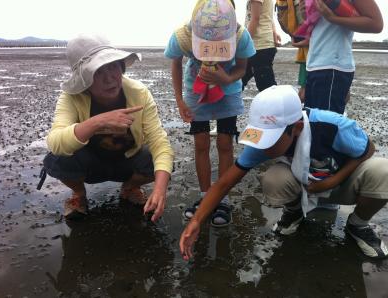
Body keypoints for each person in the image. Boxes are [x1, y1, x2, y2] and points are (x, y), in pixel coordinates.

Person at [180, 85, 388, 260]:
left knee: (383, 170)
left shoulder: (333, 126)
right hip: (305, 184)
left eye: (272, 139)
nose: (265, 148)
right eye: (261, 138)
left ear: (296, 128)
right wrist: (197, 221)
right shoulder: (261, 144)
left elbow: (367, 149)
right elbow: (225, 183)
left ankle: (358, 224)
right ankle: (294, 211)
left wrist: (334, 180)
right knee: (274, 179)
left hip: (341, 184)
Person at [40, 34, 174, 221]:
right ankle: (79, 194)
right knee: (58, 158)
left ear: (122, 66)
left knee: (157, 161)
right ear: (83, 79)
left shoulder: (139, 93)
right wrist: (98, 121)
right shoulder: (71, 97)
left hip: (127, 161)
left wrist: (160, 190)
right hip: (89, 163)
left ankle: (129, 188)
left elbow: (160, 142)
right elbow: (54, 142)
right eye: (98, 71)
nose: (109, 77)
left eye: (113, 66)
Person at [164, 0, 255, 227]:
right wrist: (180, 100)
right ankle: (206, 196)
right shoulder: (183, 36)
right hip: (196, 94)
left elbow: (242, 68)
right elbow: (175, 64)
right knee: (201, 143)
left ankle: (220, 199)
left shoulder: (241, 36)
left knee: (225, 143)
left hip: (228, 92)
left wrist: (226, 78)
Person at [303, 0, 383, 114]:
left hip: (332, 67)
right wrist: (304, 13)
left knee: (325, 127)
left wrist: (333, 19)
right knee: (312, 124)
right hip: (314, 65)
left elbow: (376, 24)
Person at [242, 0, 281, 92]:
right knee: (238, 80)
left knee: (266, 87)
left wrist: (243, 43)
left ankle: (275, 105)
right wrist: (274, 33)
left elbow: (255, 18)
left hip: (259, 45)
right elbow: (268, 16)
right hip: (262, 44)